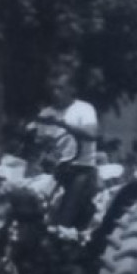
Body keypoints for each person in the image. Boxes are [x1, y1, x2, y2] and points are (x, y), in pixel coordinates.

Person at [35, 97, 99, 229]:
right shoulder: (46, 113)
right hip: (56, 168)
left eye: (60, 88)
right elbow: (40, 142)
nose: (55, 93)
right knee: (36, 201)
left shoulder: (84, 109)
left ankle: (64, 230)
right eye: (53, 89)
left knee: (68, 209)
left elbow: (92, 134)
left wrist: (64, 125)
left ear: (70, 89)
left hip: (80, 168)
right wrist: (45, 145)